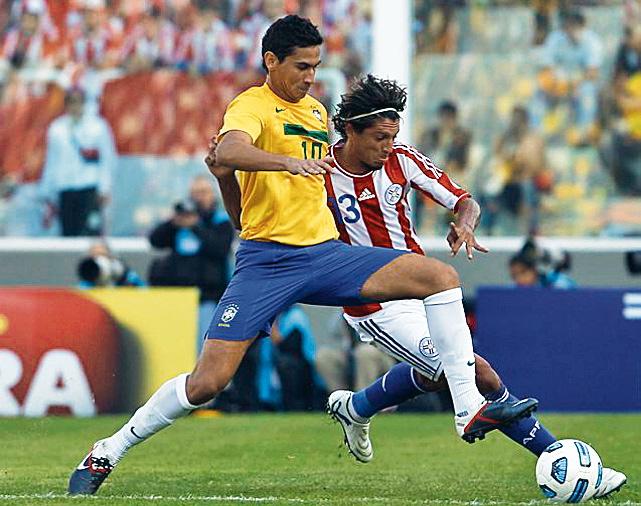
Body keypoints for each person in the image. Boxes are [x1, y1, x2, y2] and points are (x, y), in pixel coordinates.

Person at [68, 15, 536, 495]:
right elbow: (232, 159)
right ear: (271, 61)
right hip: (267, 262)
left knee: (440, 277)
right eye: (302, 66)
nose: (311, 76)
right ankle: (107, 449)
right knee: (207, 383)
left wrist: (461, 215)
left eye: (315, 66)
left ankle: (466, 408)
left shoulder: (315, 112)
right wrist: (261, 168)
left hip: (325, 255)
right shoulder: (251, 106)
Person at [320, 75, 624, 498]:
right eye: (379, 138)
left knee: (435, 372)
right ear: (350, 129)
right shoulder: (318, 173)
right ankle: (560, 458)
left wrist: (464, 223)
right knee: (474, 371)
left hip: (422, 289)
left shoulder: (402, 161)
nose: (388, 146)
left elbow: (465, 200)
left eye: (393, 136)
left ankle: (356, 407)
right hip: (374, 304)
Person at [148, 175, 234, 353]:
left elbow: (220, 248)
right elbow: (155, 240)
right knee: (178, 347)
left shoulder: (220, 221)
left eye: (203, 192)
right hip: (179, 296)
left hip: (208, 297)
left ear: (212, 195)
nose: (198, 198)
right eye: (195, 193)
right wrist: (173, 222)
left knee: (205, 347)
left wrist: (196, 227)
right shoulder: (179, 224)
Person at [38, 88, 116, 236]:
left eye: (79, 102)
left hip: (89, 186)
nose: (75, 106)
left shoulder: (97, 126)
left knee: (90, 231)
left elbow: (107, 159)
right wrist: (47, 190)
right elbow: (52, 161)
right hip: (66, 187)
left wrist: (105, 187)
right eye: (71, 102)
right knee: (68, 233)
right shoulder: (57, 128)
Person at [77, 240, 145, 288]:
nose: (100, 261)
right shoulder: (86, 282)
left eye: (102, 255)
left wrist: (124, 279)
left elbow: (143, 289)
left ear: (110, 256)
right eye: (95, 256)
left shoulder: (126, 276)